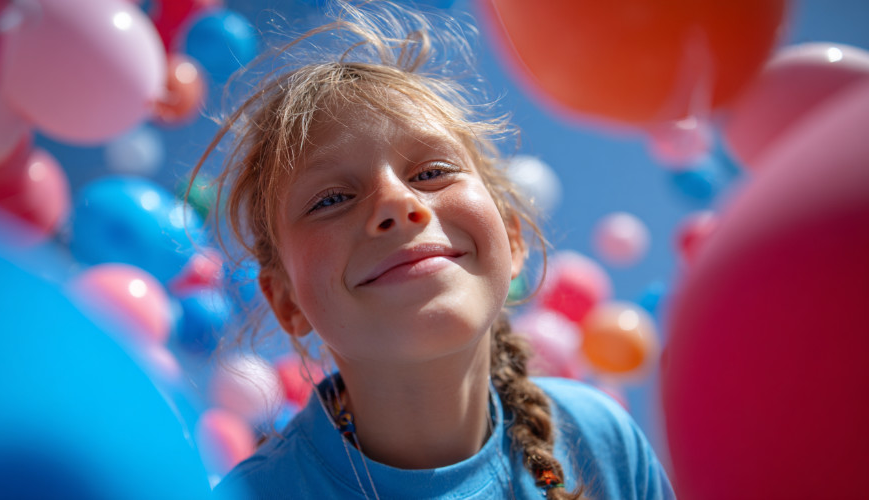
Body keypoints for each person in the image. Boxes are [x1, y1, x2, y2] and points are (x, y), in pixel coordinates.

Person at [192, 2, 675, 498]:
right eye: (331, 200)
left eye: (432, 172)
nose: (397, 203)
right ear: (286, 301)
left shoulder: (600, 441)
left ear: (512, 239)